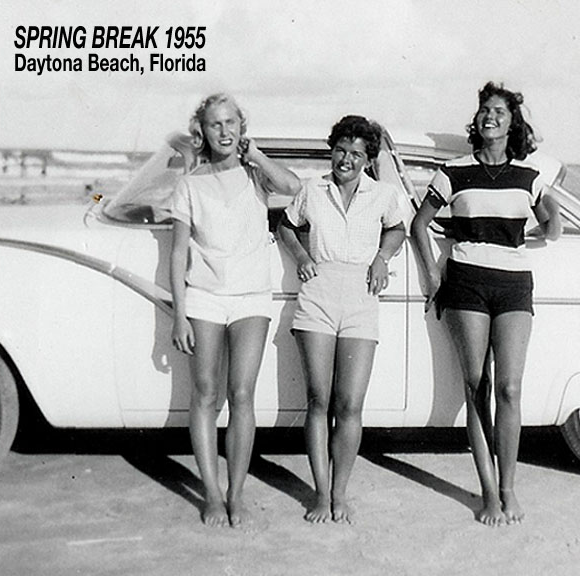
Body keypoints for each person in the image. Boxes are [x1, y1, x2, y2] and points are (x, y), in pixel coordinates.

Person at [410, 82, 561, 527]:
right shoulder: (453, 172)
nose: (489, 116)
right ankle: (490, 494)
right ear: (476, 120)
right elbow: (420, 225)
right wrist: (432, 274)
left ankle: (509, 488)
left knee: (509, 388)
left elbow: (553, 229)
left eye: (499, 111)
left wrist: (545, 209)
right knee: (477, 384)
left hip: (514, 284)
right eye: (484, 110)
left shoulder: (529, 176)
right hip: (466, 282)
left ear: (513, 123)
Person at [169, 93, 301, 527]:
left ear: (242, 127)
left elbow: (293, 187)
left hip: (251, 296)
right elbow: (178, 252)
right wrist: (180, 314)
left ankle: (236, 493)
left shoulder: (255, 174)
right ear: (202, 131)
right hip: (204, 297)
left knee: (242, 394)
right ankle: (210, 493)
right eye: (215, 124)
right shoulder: (189, 184)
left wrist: (256, 155)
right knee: (205, 394)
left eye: (231, 123)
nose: (224, 131)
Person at [277, 115, 406, 524]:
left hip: (361, 297)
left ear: (368, 160)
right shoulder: (312, 190)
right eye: (340, 150)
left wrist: (382, 258)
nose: (346, 160)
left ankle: (340, 493)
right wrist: (302, 256)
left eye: (356, 154)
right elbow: (286, 226)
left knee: (350, 403)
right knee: (319, 399)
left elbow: (398, 229)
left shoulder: (383, 193)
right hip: (318, 295)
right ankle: (320, 493)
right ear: (331, 151)